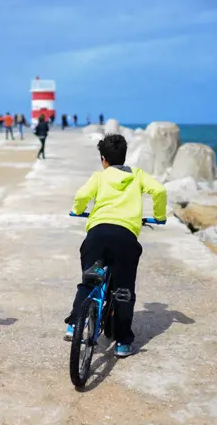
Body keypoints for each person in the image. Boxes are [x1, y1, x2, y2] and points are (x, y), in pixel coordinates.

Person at [65, 134, 167, 357]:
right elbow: (159, 191)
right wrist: (159, 216)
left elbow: (82, 195)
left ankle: (74, 324)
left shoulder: (99, 177)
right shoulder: (137, 175)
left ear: (103, 159)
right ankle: (122, 342)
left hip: (97, 235)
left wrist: (77, 209)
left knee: (89, 280)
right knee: (123, 291)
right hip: (125, 238)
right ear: (124, 156)